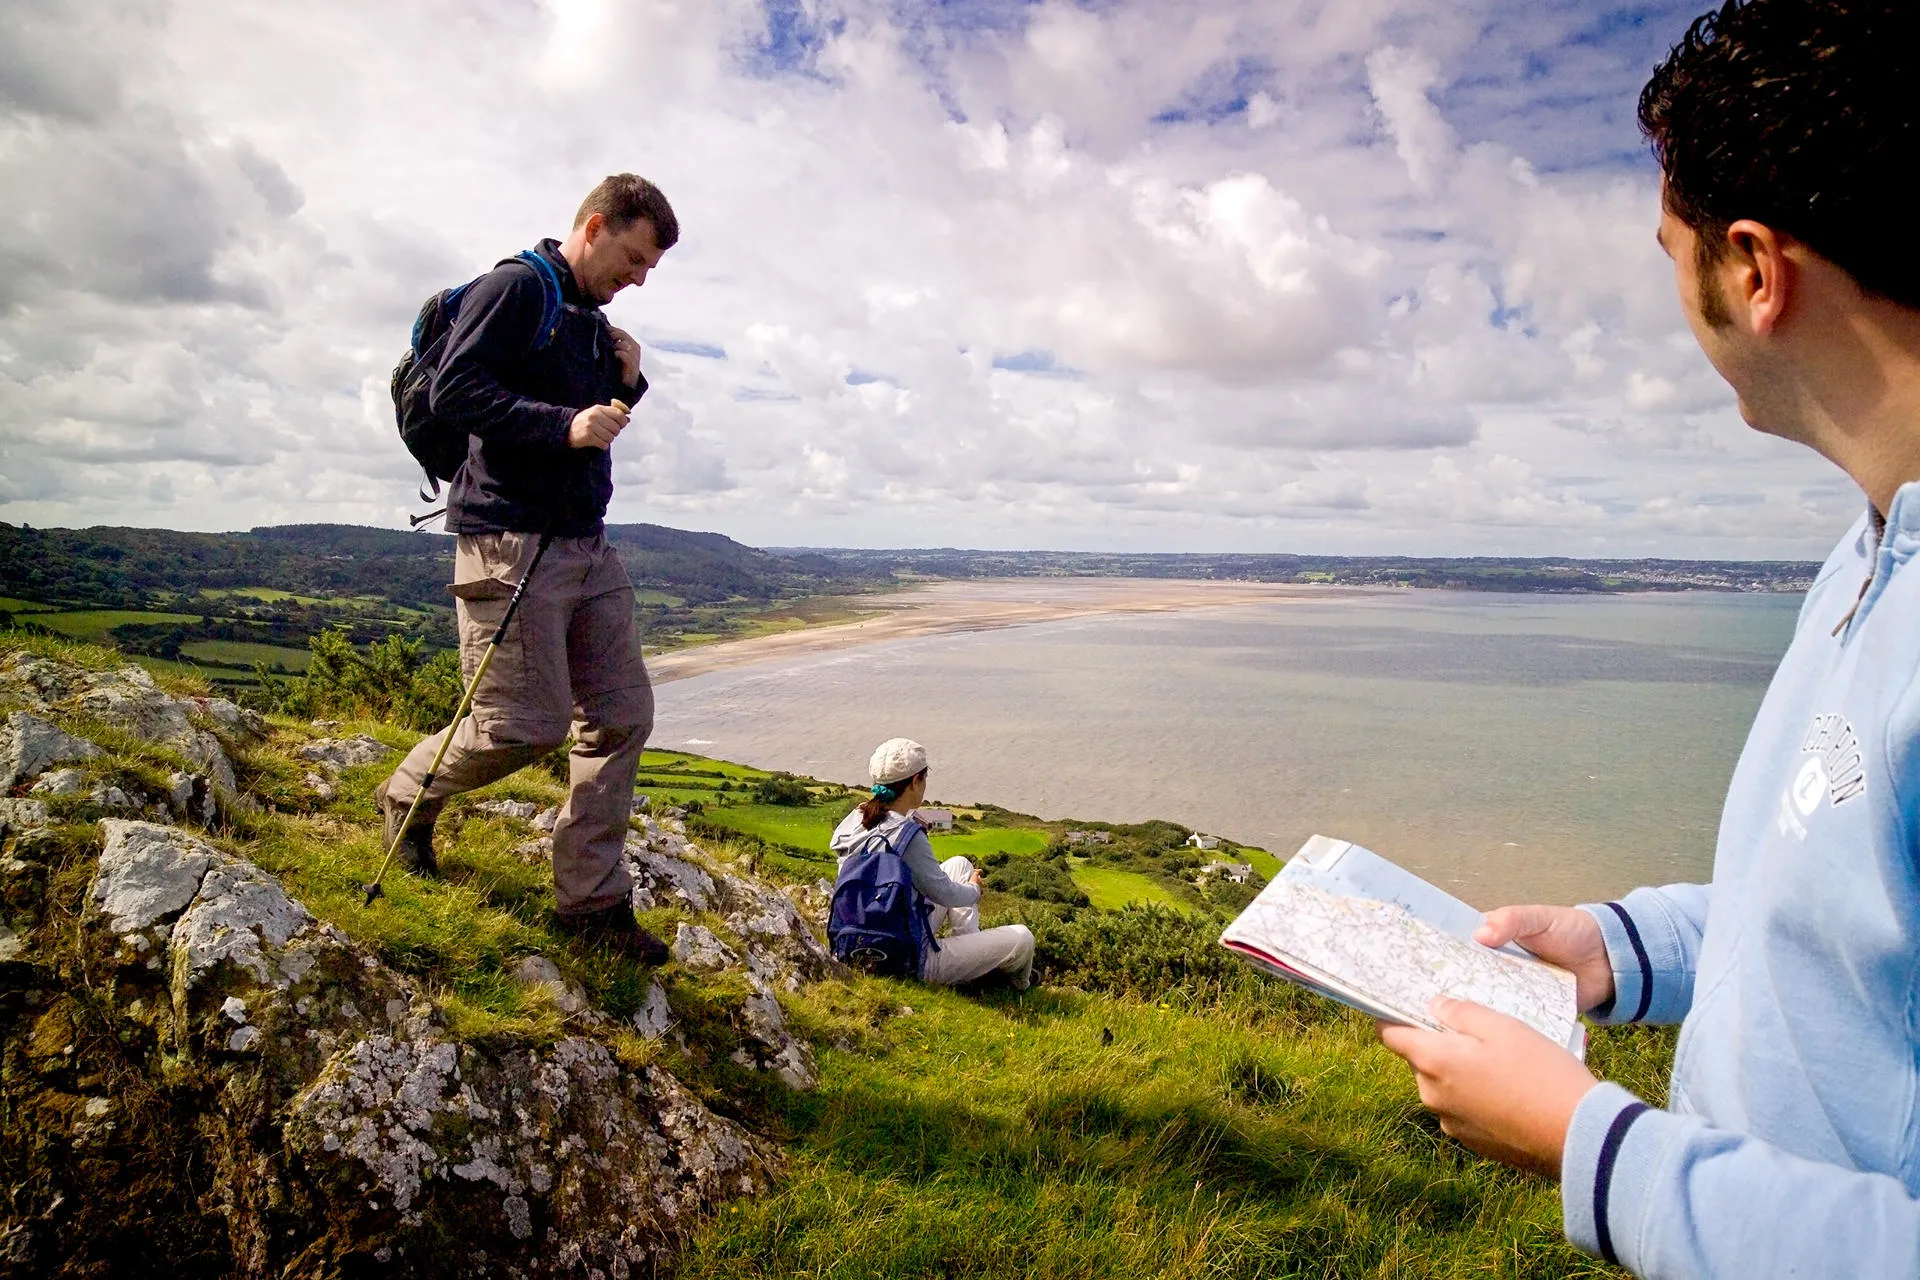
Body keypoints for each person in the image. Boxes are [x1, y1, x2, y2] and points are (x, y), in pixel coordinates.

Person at [1375, 3, 1920, 1274]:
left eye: (1668, 249)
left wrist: (1591, 1147)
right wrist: (1626, 947)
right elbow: (1845, 918)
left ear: (1752, 268)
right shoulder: (1864, 555)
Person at [374, 174, 679, 961]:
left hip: (586, 543)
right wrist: (565, 423)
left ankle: (591, 905)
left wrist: (627, 384)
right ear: (597, 224)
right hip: (509, 542)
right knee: (524, 726)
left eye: (650, 269)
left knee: (621, 715)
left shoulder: (587, 320)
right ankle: (405, 794)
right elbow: (457, 392)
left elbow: (586, 426)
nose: (640, 278)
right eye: (636, 257)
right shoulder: (516, 288)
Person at [829, 738, 1036, 988]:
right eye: (925, 779)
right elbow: (945, 893)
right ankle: (1017, 985)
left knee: (959, 864)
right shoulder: (906, 835)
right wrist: (975, 890)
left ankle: (972, 960)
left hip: (858, 938)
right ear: (916, 781)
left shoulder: (857, 818)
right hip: (909, 959)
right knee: (1023, 939)